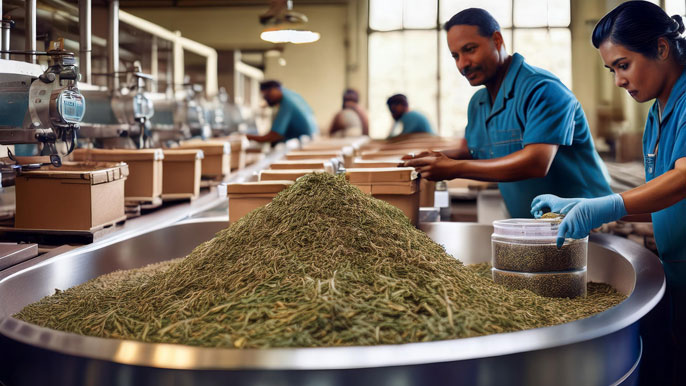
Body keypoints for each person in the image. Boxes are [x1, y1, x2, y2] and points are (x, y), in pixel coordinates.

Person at [530, 2, 686, 384]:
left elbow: (683, 179)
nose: (617, 80)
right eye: (611, 69)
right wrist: (593, 207)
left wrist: (611, 203)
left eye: (623, 64)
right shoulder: (658, 111)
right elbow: (663, 199)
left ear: (662, 48)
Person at [401, 8, 612, 218]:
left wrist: (454, 168)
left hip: (588, 221)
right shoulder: (478, 103)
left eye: (470, 49)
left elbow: (536, 163)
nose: (463, 64)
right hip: (534, 228)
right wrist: (427, 160)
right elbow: (474, 152)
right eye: (455, 56)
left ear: (497, 40)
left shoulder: (543, 89)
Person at [247, 80, 317, 143]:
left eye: (266, 95)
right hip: (313, 135)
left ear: (274, 89)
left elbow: (275, 135)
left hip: (304, 141)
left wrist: (248, 137)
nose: (266, 99)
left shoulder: (287, 103)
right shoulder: (290, 94)